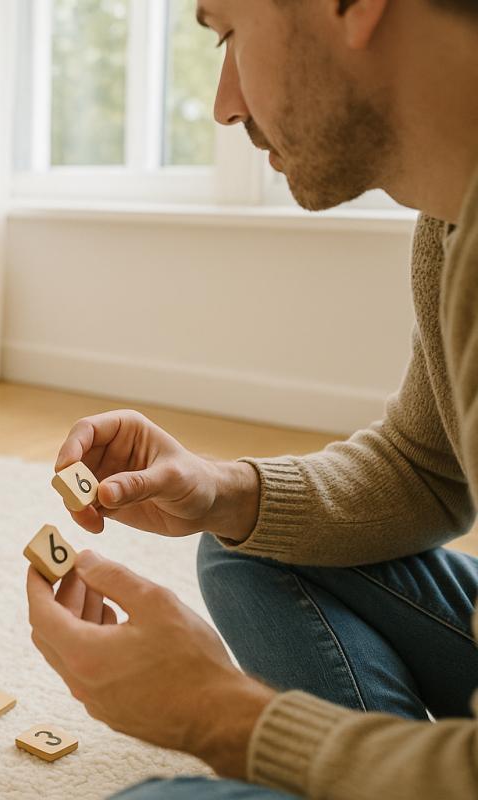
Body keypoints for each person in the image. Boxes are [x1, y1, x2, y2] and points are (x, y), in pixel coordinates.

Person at [26, 0, 478, 797]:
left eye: (229, 31)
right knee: (248, 540)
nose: (223, 103)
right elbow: (426, 468)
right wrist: (222, 490)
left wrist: (221, 715)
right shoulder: (453, 219)